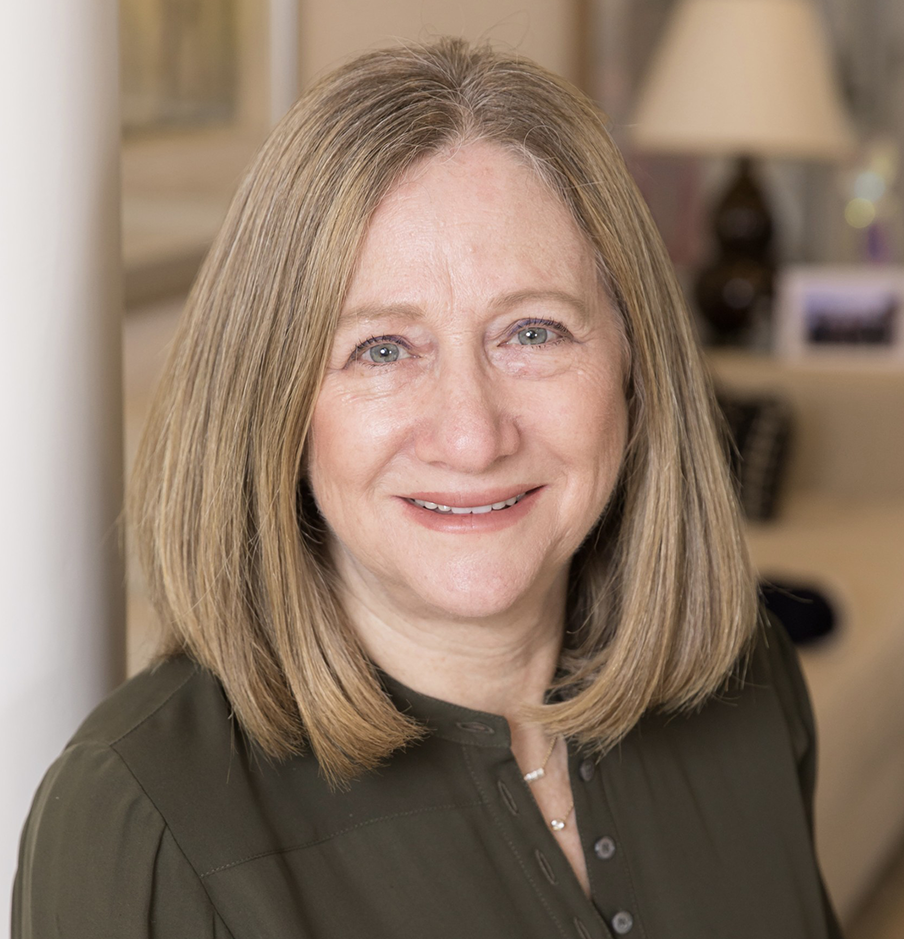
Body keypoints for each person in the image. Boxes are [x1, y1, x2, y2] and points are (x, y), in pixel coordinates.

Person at [13, 38, 842, 939]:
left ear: (636, 368)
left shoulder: (748, 684)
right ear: (275, 408)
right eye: (382, 348)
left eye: (533, 331)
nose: (473, 434)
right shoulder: (139, 821)